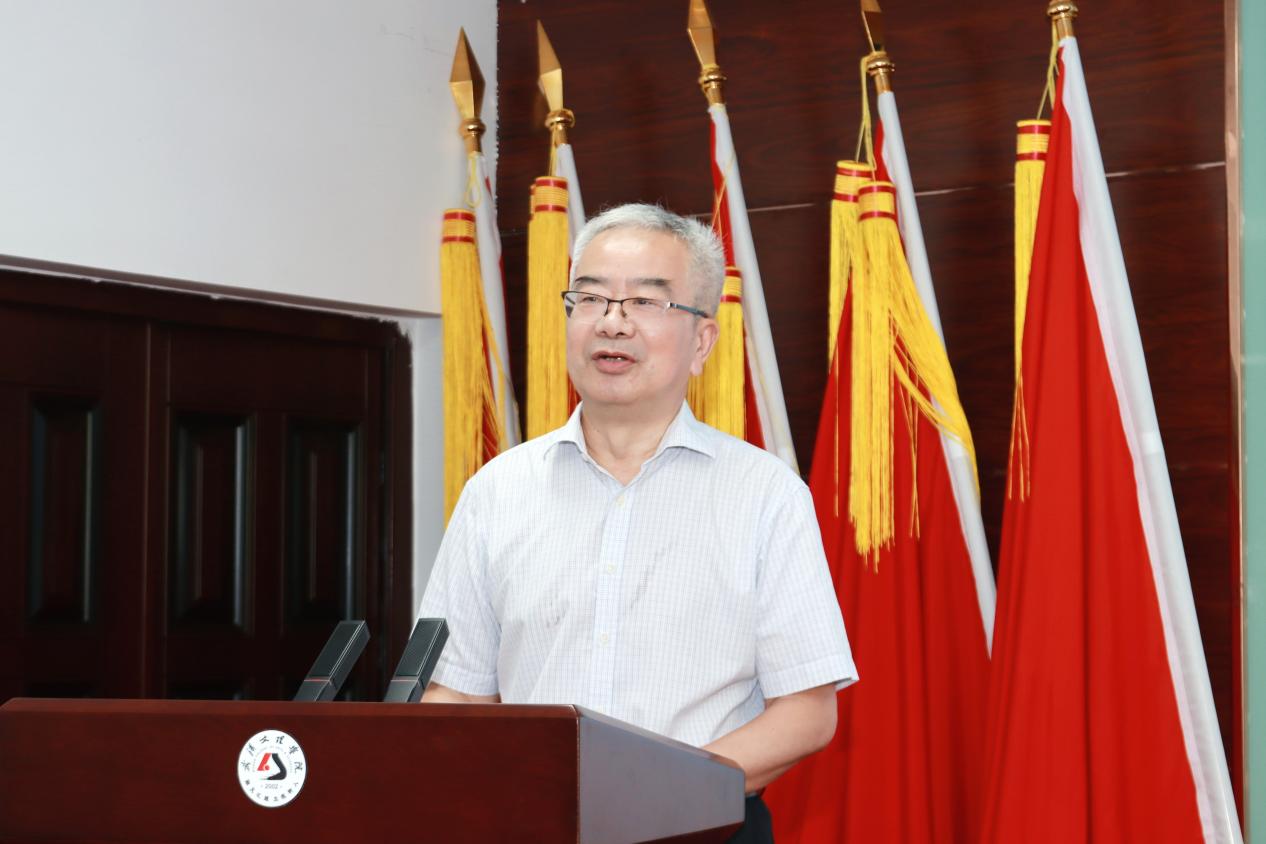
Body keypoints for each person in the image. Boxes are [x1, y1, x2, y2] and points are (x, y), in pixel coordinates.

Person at [418, 203, 856, 842]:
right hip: (533, 824)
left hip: (702, 827)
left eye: (645, 302)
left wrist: (655, 791)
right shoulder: (497, 492)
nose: (612, 323)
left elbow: (807, 712)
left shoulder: (765, 495)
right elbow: (456, 693)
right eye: (591, 298)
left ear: (701, 341)